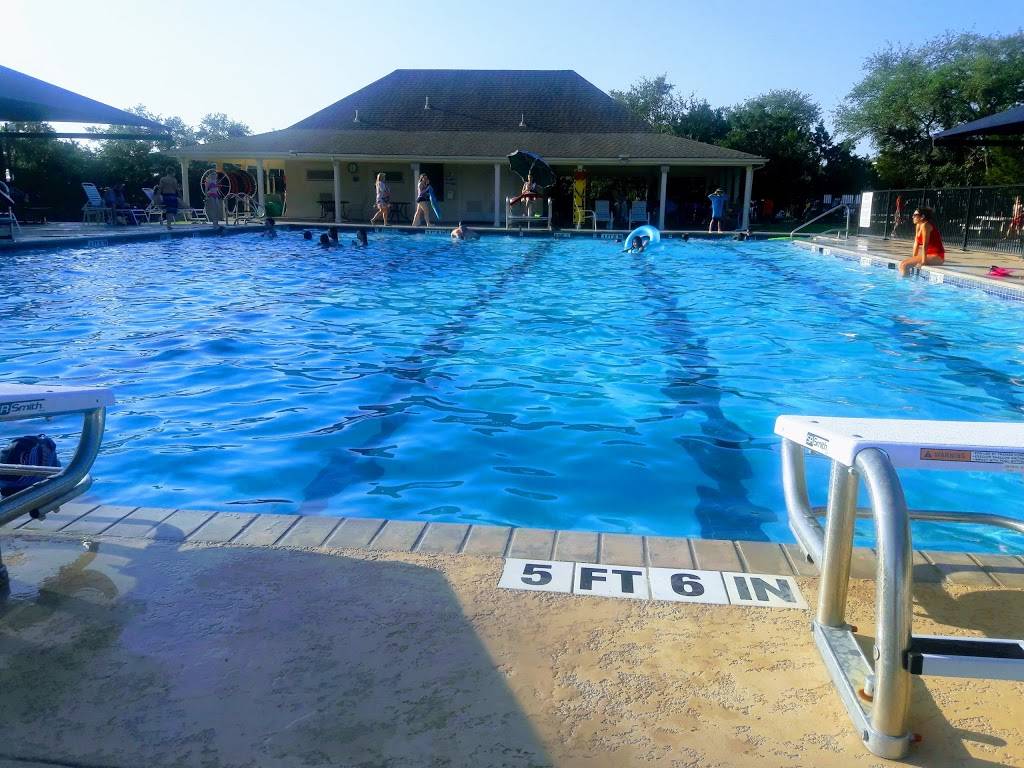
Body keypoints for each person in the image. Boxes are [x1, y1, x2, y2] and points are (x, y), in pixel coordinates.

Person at [898, 207, 945, 276]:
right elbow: (916, 243)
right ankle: (906, 282)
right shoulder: (918, 225)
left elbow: (925, 245)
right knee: (902, 264)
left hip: (937, 256)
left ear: (922, 217)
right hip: (929, 255)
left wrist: (923, 261)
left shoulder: (926, 225)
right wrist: (913, 258)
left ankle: (906, 283)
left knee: (905, 265)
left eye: (915, 215)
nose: (912, 217)